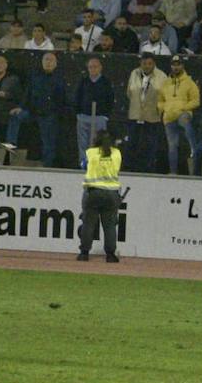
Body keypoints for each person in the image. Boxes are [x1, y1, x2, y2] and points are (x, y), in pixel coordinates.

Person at [77, 130, 122, 263]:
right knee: (110, 225)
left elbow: (83, 166)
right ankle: (110, 254)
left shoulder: (91, 152)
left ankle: (84, 253)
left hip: (93, 192)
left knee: (88, 224)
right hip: (112, 193)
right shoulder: (117, 153)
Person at [125, 55, 167, 174]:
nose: (147, 66)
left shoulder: (162, 76)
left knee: (150, 144)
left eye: (149, 63)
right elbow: (129, 92)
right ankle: (130, 169)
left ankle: (148, 169)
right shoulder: (134, 73)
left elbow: (164, 96)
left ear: (153, 64)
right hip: (135, 114)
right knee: (132, 142)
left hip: (152, 116)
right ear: (140, 63)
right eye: (144, 63)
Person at [159, 56, 200, 175]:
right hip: (169, 117)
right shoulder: (165, 83)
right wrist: (164, 108)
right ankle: (173, 172)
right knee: (172, 146)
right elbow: (160, 100)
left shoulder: (189, 82)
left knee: (188, 134)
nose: (176, 67)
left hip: (183, 114)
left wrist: (183, 108)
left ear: (182, 66)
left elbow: (196, 101)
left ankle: (194, 158)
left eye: (178, 64)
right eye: (173, 64)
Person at [71, 57, 114, 168]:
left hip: (99, 118)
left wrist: (105, 116)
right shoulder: (83, 81)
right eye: (90, 67)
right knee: (83, 143)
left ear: (100, 68)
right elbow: (77, 97)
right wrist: (78, 114)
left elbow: (110, 99)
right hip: (84, 117)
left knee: (98, 143)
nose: (93, 69)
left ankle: (98, 167)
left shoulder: (106, 82)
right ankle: (83, 165)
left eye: (95, 67)